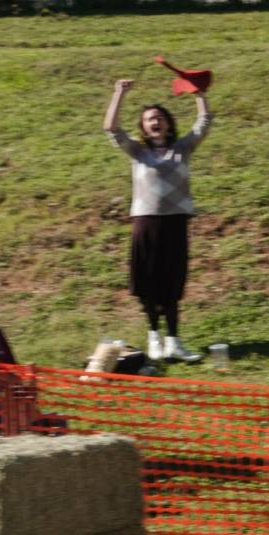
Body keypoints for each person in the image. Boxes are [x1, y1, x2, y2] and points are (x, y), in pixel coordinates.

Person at [105, 75, 211, 363]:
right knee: (149, 283)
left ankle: (174, 342)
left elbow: (203, 124)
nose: (155, 122)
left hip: (176, 222)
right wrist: (119, 93)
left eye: (160, 117)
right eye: (150, 119)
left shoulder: (182, 149)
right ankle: (154, 338)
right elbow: (111, 128)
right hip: (146, 223)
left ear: (168, 123)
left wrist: (199, 95)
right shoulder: (138, 152)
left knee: (172, 283)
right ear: (143, 126)